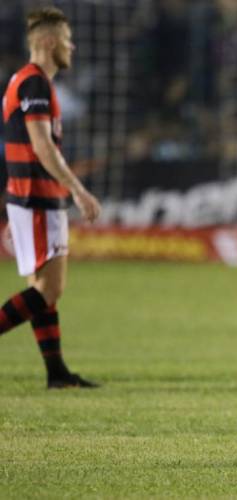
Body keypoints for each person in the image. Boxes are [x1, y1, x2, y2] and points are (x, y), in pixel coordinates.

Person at [0, 7, 101, 388]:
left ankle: (56, 372)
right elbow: (42, 147)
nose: (71, 47)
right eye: (66, 39)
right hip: (37, 197)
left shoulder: (25, 82)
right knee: (49, 288)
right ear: (47, 41)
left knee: (43, 290)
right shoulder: (34, 83)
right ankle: (56, 370)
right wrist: (78, 189)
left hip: (27, 198)